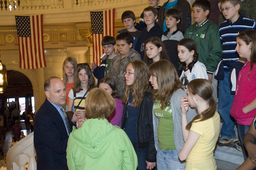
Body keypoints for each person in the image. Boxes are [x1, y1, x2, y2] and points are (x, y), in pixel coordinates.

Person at [216, 0, 256, 148]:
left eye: (227, 8)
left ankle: (246, 135)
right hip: (227, 69)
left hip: (242, 67)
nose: (224, 12)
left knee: (241, 99)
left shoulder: (250, 23)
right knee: (224, 103)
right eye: (222, 10)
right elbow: (224, 46)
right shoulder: (222, 27)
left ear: (237, 7)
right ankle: (228, 134)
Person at [66, 88, 138, 170]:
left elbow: (72, 166)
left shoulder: (74, 137)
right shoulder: (119, 135)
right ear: (109, 107)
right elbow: (131, 165)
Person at [148, 59, 197, 170]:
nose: (150, 80)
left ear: (163, 76)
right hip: (161, 151)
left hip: (176, 153)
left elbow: (192, 124)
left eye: (153, 76)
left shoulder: (180, 96)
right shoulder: (157, 96)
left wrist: (184, 150)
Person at [184, 0, 222, 103]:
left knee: (209, 100)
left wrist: (209, 70)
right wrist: (184, 68)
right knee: (193, 99)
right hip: (191, 71)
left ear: (206, 12)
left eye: (198, 11)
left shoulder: (212, 28)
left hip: (208, 71)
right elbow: (184, 50)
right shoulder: (189, 30)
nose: (194, 14)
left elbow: (216, 51)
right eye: (193, 11)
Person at [179, 79, 221, 170]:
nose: (186, 97)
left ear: (196, 97)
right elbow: (188, 139)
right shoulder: (215, 115)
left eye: (188, 94)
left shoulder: (199, 123)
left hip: (195, 166)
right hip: (209, 165)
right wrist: (183, 114)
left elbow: (182, 156)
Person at [34, 77, 74, 170]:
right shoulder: (43, 116)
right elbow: (59, 146)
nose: (63, 94)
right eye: (58, 91)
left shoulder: (59, 108)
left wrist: (77, 125)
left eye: (64, 90)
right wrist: (79, 136)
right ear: (47, 94)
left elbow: (67, 131)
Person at [122, 60, 156, 170]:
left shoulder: (148, 98)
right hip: (128, 144)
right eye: (126, 72)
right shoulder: (129, 93)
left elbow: (153, 128)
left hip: (142, 148)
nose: (125, 75)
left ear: (139, 75)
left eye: (129, 73)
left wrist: (151, 156)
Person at [230, 30, 256, 160]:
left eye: (239, 44)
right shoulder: (246, 65)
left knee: (251, 158)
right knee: (247, 157)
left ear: (250, 44)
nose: (236, 48)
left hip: (249, 119)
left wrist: (245, 109)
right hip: (241, 119)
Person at [107, 31, 141, 99]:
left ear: (130, 45)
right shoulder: (115, 59)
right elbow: (109, 78)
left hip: (130, 96)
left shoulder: (135, 59)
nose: (120, 47)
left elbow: (138, 79)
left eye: (123, 45)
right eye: (118, 45)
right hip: (115, 97)